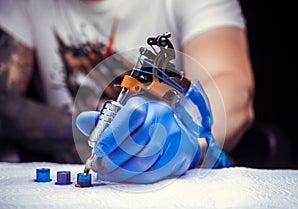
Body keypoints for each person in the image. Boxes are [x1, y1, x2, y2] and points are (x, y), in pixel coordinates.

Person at [0, 0, 254, 182]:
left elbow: (231, 87)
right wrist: (101, 132)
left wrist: (183, 139)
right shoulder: (21, 5)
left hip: (174, 189)